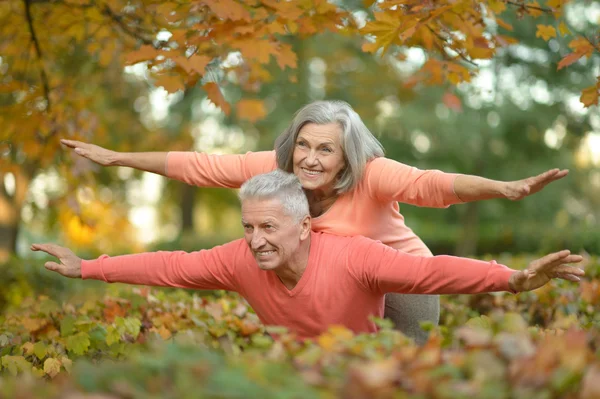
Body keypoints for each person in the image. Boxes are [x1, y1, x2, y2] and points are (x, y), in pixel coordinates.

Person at [60, 100, 568, 344]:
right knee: (333, 363)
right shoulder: (276, 173)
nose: (309, 158)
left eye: (325, 148)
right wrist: (117, 157)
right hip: (329, 276)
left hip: (405, 276)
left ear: (347, 156)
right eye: (303, 143)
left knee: (400, 363)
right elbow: (199, 165)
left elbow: (434, 185)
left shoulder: (373, 175)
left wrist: (504, 188)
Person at [31, 171, 583, 340]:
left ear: (304, 226)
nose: (255, 240)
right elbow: (169, 266)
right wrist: (86, 266)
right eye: (248, 227)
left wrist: (512, 278)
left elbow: (429, 271)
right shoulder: (238, 259)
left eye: (268, 227)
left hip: (372, 354)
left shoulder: (354, 255)